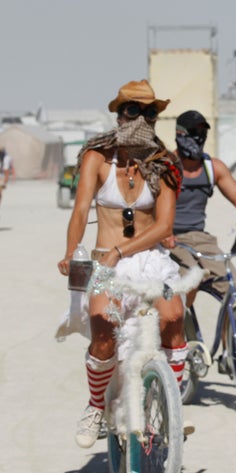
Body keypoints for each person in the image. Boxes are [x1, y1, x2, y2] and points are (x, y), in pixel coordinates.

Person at [57, 79, 187, 449]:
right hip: (105, 263)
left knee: (173, 319)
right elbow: (81, 208)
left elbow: (164, 225)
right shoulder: (97, 158)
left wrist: (123, 251)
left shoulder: (164, 164)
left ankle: (170, 407)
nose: (143, 118)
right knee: (103, 331)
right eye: (134, 110)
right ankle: (96, 405)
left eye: (150, 112)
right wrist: (71, 251)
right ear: (118, 114)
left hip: (150, 261)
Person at [167, 110, 236, 309]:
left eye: (202, 131)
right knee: (188, 283)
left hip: (201, 238)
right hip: (171, 238)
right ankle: (180, 335)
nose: (198, 136)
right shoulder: (167, 165)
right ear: (180, 134)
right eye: (193, 131)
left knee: (234, 289)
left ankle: (230, 338)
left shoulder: (212, 167)